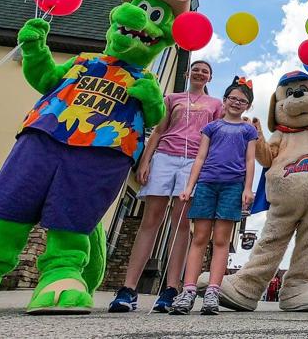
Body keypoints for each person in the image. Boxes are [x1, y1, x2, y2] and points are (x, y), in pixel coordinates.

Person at [109, 60, 222, 313]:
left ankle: (171, 289)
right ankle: (128, 288)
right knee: (151, 219)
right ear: (188, 73)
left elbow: (216, 138)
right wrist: (145, 161)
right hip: (165, 156)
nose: (200, 73)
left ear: (210, 77)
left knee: (181, 223)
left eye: (205, 71)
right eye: (196, 69)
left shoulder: (216, 105)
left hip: (194, 161)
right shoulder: (172, 98)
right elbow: (159, 131)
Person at [169, 77, 258, 315]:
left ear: (248, 106)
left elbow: (250, 161)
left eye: (242, 101)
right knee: (199, 237)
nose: (237, 103)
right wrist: (189, 186)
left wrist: (247, 188)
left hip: (232, 186)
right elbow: (200, 157)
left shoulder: (248, 130)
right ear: (225, 100)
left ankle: (212, 292)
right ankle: (188, 290)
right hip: (207, 184)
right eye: (233, 98)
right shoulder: (212, 127)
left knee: (221, 240)